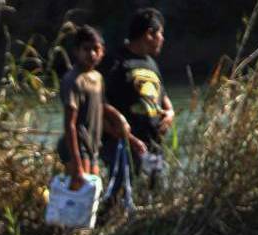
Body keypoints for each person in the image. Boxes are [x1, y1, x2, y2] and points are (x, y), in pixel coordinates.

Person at [101, 8, 175, 191]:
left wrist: (170, 113)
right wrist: (126, 136)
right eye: (160, 34)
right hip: (123, 144)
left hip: (153, 144)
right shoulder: (115, 61)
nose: (162, 39)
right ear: (149, 34)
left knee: (158, 191)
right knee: (119, 194)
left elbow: (162, 95)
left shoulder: (151, 63)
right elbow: (99, 102)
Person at [56, 25, 109, 191]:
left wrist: (122, 126)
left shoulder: (98, 77)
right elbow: (69, 124)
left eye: (96, 49)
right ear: (77, 51)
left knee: (92, 194)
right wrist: (77, 165)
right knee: (80, 195)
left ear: (102, 52)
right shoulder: (73, 80)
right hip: (77, 146)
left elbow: (102, 108)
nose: (91, 54)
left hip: (92, 146)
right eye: (86, 49)